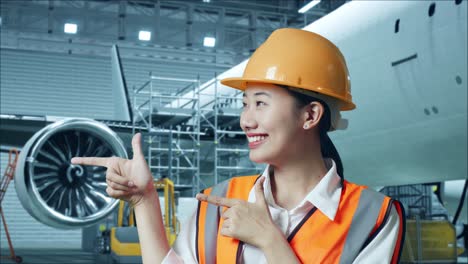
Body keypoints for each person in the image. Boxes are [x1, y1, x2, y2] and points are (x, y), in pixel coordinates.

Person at [71, 28, 405, 263]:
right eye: (244, 104)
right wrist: (144, 201)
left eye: (261, 103)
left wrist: (268, 239)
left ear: (310, 115)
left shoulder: (373, 216)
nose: (246, 120)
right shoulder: (220, 200)